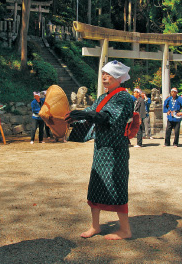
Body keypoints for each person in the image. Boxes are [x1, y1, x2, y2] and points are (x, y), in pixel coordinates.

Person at [65, 60, 134, 240]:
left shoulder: (125, 98)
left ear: (119, 77)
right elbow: (90, 112)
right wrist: (71, 117)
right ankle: (95, 226)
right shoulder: (102, 97)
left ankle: (125, 229)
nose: (104, 77)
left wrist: (86, 114)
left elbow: (108, 118)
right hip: (101, 149)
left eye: (109, 74)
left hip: (116, 149)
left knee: (117, 185)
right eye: (103, 73)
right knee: (96, 184)